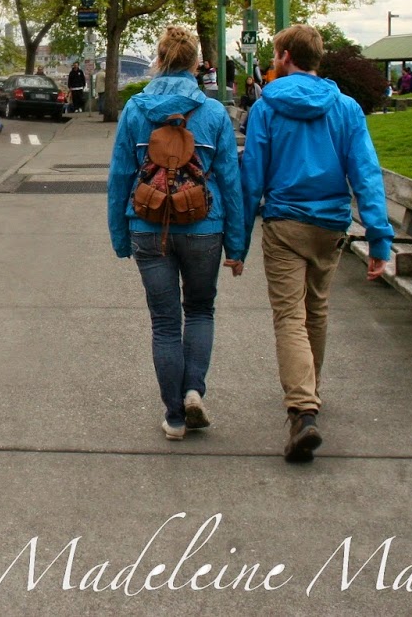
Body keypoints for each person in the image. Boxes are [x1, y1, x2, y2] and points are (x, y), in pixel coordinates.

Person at [232, 24, 393, 464]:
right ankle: (310, 391)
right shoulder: (346, 108)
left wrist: (238, 243)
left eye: (275, 53)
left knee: (289, 315)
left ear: (286, 56)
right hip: (330, 224)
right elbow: (366, 175)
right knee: (316, 310)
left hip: (285, 222)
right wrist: (379, 239)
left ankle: (303, 408)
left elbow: (252, 180)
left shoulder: (267, 108)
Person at [108, 25, 245, 441]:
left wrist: (120, 236)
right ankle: (193, 390)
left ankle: (174, 417)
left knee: (165, 323)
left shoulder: (135, 110)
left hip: (147, 225)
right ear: (195, 63)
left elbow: (120, 177)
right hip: (205, 225)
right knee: (200, 310)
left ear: (158, 59)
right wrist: (237, 244)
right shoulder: (215, 113)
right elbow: (230, 181)